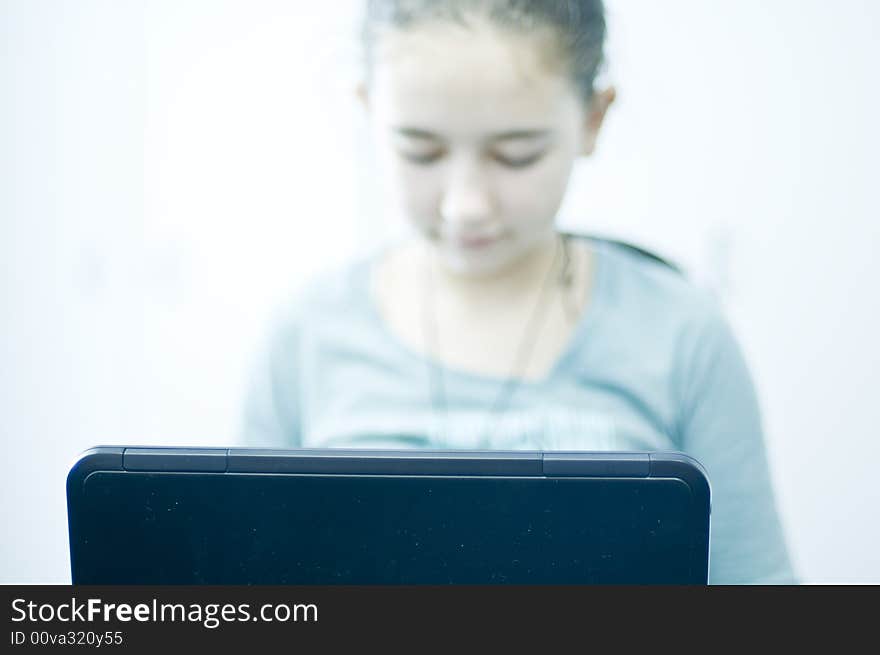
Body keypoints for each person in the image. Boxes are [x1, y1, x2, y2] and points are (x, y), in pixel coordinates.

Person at [240, 0, 796, 584]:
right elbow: (240, 595)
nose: (466, 205)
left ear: (593, 120)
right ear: (367, 111)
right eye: (420, 151)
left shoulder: (682, 334)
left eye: (517, 155)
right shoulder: (305, 333)